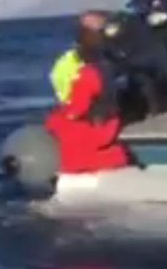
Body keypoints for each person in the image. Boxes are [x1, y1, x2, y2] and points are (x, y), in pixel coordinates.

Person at [45, 17, 130, 174]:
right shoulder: (111, 67)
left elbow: (76, 109)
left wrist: (55, 119)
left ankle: (109, 160)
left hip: (96, 127)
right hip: (110, 120)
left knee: (60, 129)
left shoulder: (88, 75)